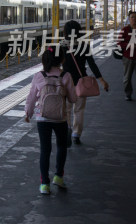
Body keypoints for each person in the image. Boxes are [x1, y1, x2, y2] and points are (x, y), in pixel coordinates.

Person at [25, 46, 77, 195]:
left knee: (45, 150)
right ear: (61, 60)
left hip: (42, 118)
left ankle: (44, 184)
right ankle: (59, 177)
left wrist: (28, 114)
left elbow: (31, 98)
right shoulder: (66, 76)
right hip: (61, 118)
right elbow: (73, 99)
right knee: (61, 147)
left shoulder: (38, 76)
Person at [62, 20, 109, 145]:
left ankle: (66, 130)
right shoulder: (84, 46)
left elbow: (55, 65)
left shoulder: (61, 46)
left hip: (65, 82)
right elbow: (92, 64)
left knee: (66, 110)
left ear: (65, 32)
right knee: (79, 110)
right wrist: (101, 80)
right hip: (81, 82)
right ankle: (76, 134)